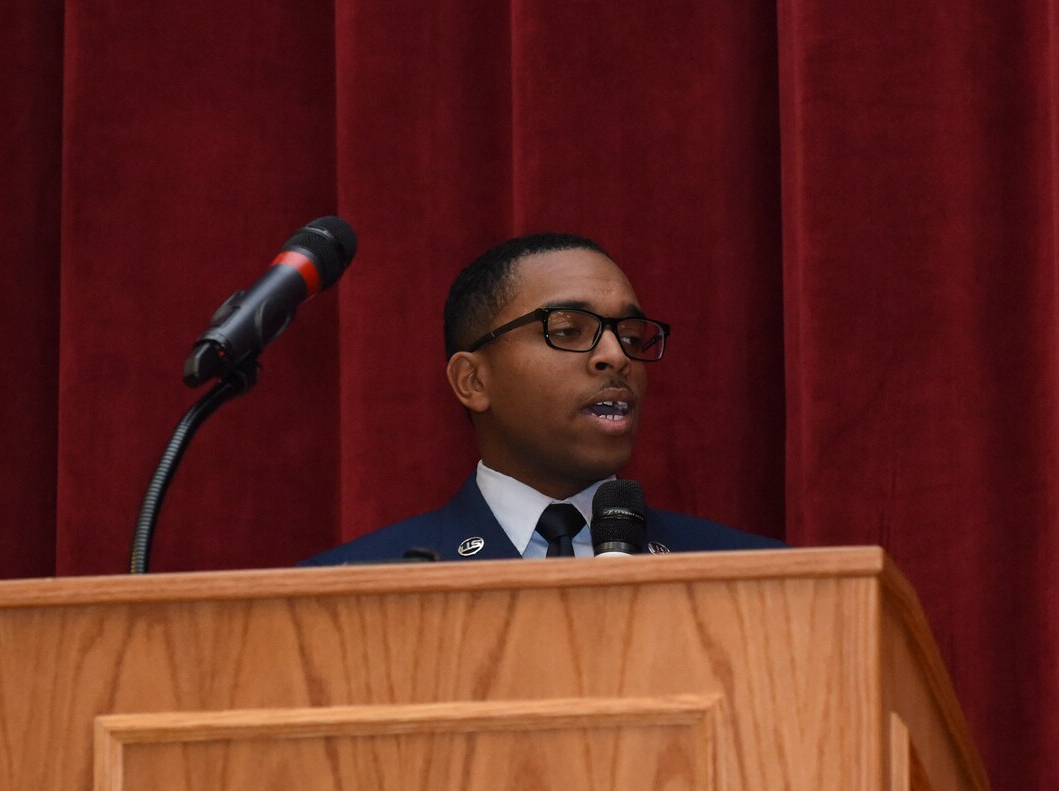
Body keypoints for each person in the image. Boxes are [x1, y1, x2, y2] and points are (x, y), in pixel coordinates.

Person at [303, 233, 783, 564]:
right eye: (569, 330)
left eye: (632, 337)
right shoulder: (351, 590)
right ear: (472, 381)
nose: (616, 357)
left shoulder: (758, 578)